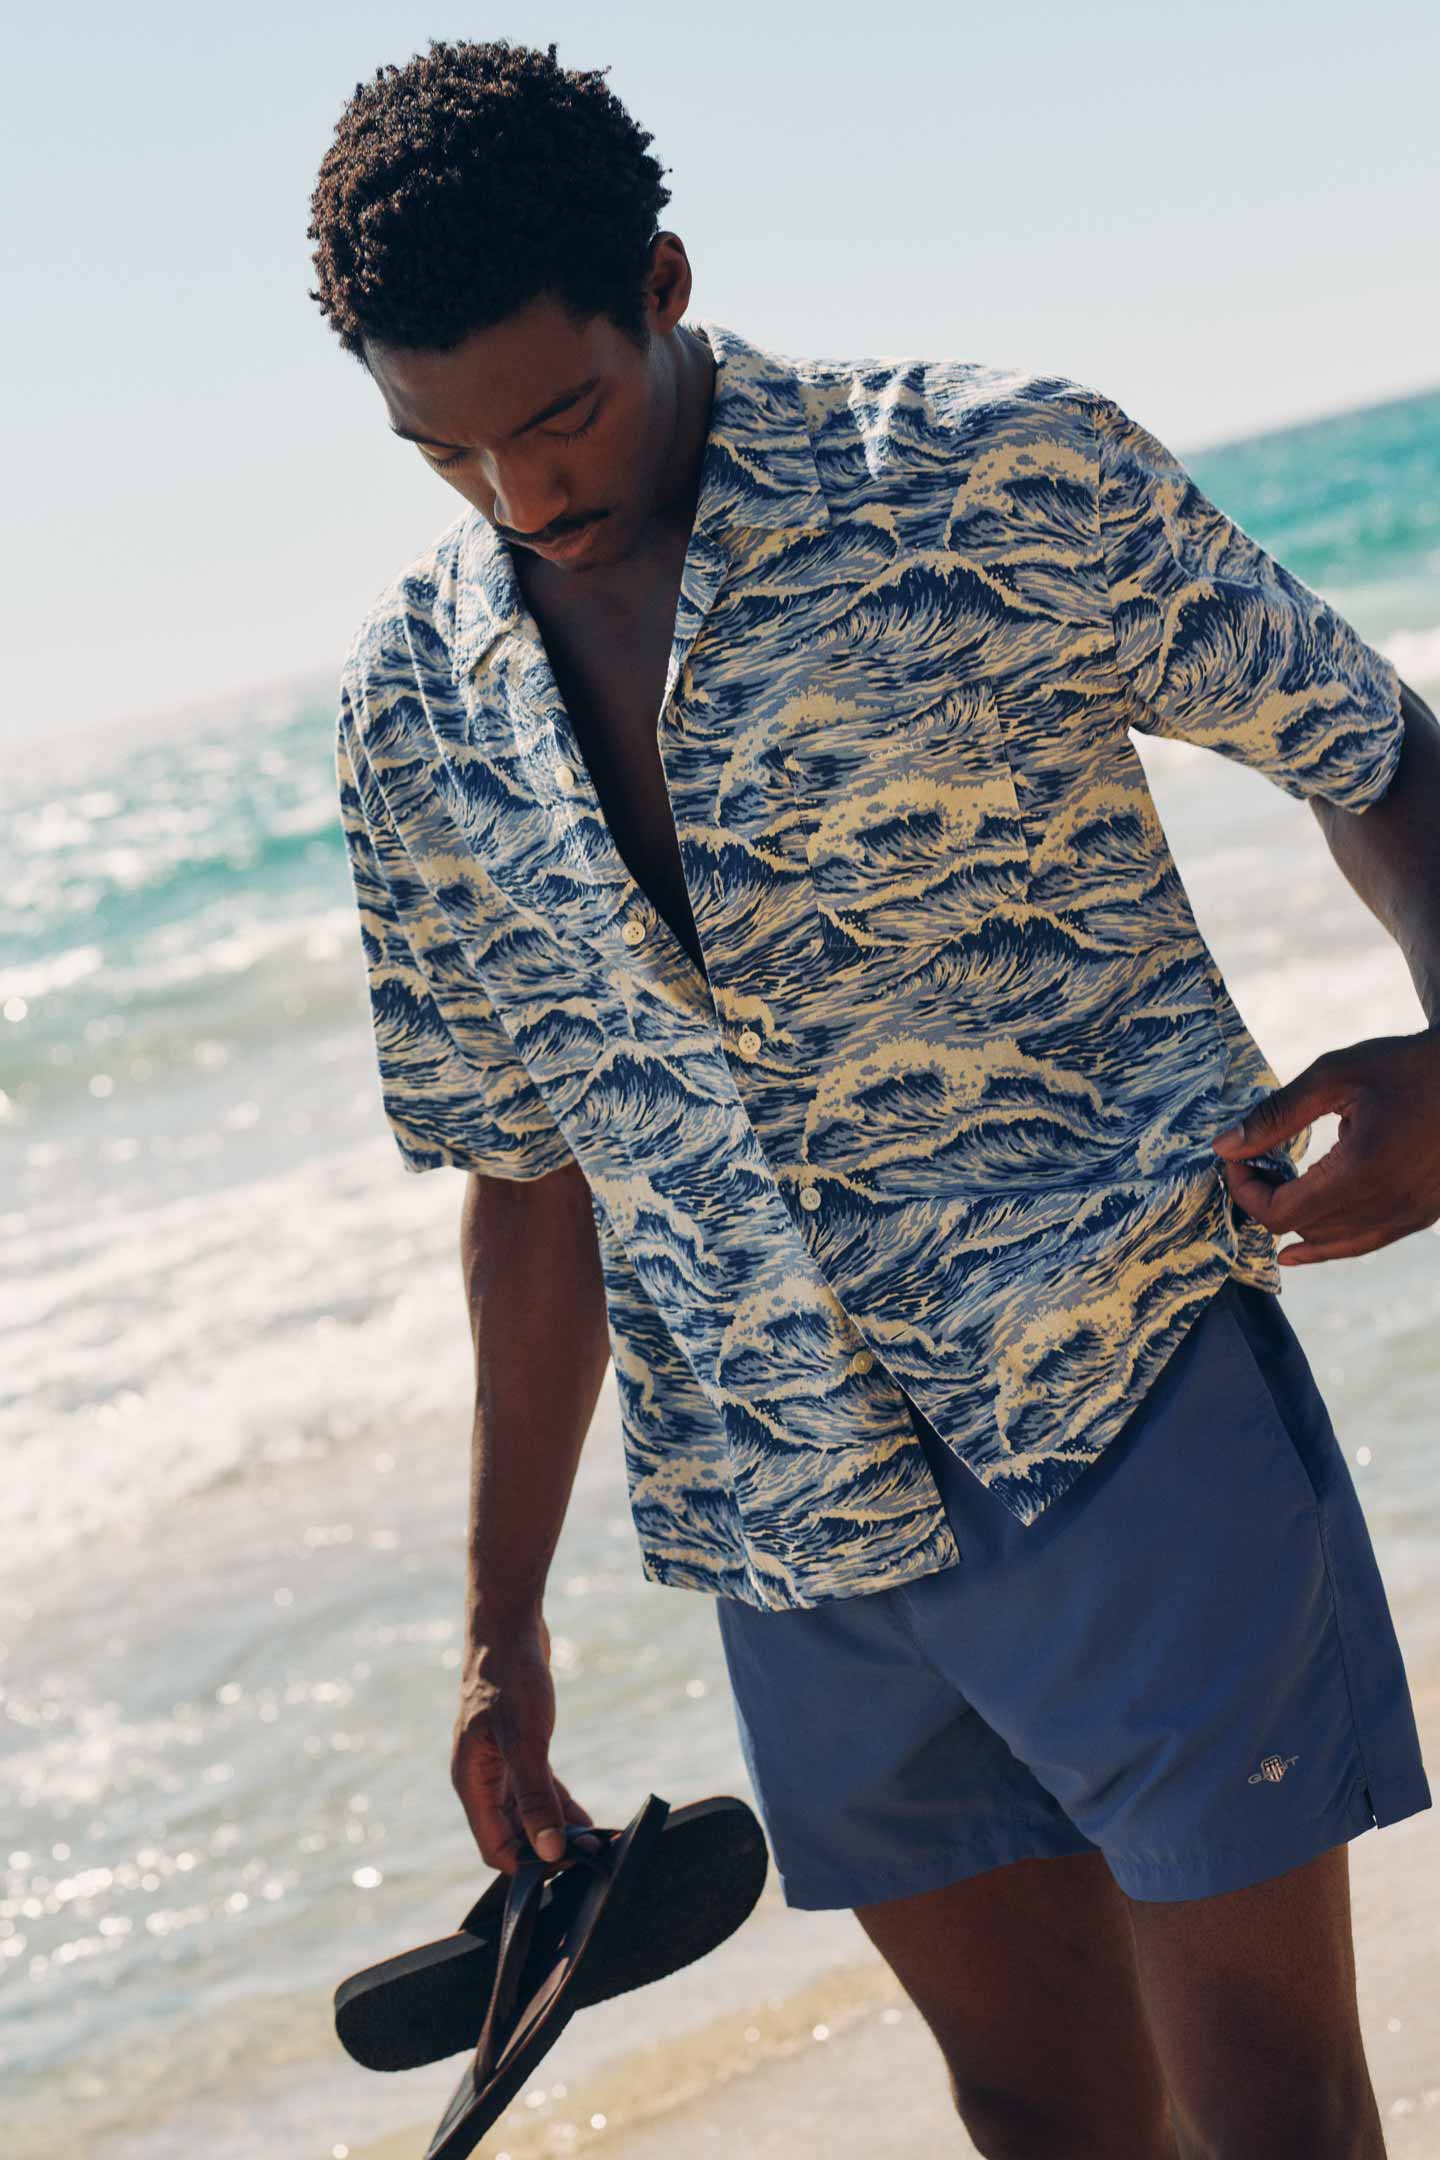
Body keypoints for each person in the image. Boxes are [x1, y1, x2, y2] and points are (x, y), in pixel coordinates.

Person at [307, 36, 1438, 2158]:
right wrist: (496, 1625)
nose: (521, 494)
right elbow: (533, 1179)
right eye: (443, 450)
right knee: (1037, 2115)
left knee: (1275, 2113)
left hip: (1123, 1402)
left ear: (662, 282)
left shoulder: (993, 472)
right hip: (791, 1528)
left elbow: (1376, 752)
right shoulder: (407, 717)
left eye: (559, 416)